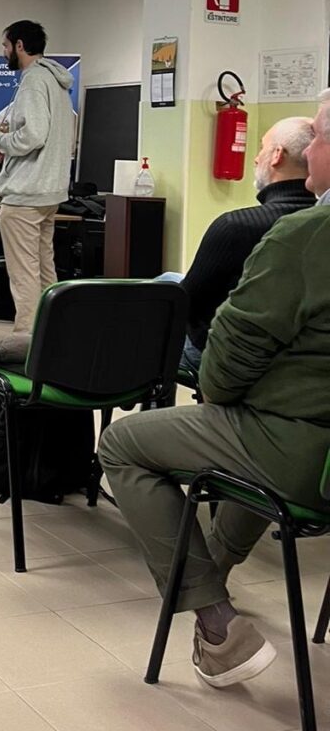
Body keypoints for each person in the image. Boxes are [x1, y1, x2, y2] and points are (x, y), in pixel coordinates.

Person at [98, 89, 330, 689]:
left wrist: (227, 392)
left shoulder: (305, 236)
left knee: (124, 444)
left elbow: (223, 368)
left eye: (323, 137)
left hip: (301, 449)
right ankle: (216, 567)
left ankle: (217, 622)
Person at [162, 116, 314, 374]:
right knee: (167, 278)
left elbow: (187, 300)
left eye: (262, 148)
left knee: (161, 297)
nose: (256, 158)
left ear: (277, 155)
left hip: (228, 353)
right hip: (297, 354)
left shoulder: (237, 226)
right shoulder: (319, 222)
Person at [0, 20, 75, 335]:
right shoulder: (57, 81)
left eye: (5, 46)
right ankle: (53, 335)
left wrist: (0, 141)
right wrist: (12, 144)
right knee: (43, 269)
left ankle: (26, 342)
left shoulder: (33, 80)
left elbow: (34, 135)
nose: (4, 52)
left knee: (24, 274)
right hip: (50, 191)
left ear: (19, 45)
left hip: (25, 194)